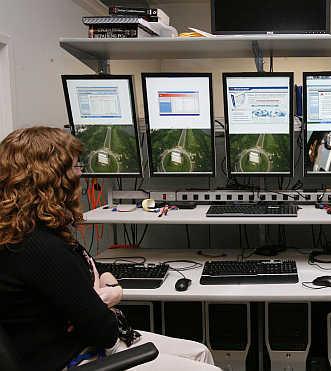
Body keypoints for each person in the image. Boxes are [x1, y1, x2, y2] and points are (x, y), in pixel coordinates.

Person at [0, 127, 220, 370]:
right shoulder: (41, 248)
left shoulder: (26, 231)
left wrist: (109, 284)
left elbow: (90, 266)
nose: (80, 173)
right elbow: (104, 332)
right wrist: (109, 298)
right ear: (52, 178)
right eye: (75, 166)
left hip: (82, 345)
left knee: (200, 353)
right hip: (76, 358)